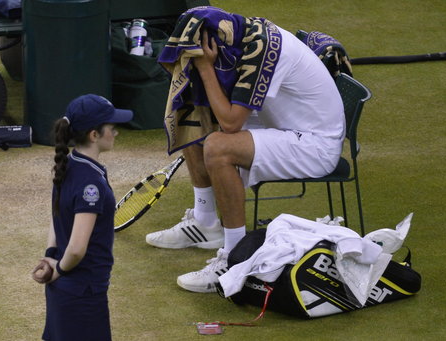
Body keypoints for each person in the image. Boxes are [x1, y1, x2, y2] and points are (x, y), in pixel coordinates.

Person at [147, 6, 345, 293]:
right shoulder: (243, 34)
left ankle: (236, 259)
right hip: (284, 126)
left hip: (314, 145)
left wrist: (205, 69)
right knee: (194, 113)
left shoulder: (262, 52)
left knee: (218, 145)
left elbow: (230, 123)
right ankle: (205, 222)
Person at [32, 94, 132, 340]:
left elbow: (56, 217)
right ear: (94, 135)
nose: (116, 133)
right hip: (82, 291)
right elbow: (77, 248)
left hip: (66, 289)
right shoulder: (91, 184)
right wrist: (59, 270)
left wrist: (50, 257)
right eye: (111, 128)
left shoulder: (67, 164)